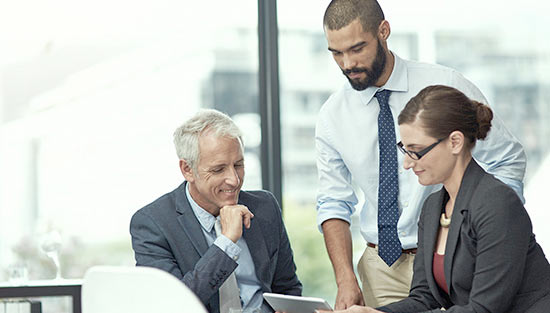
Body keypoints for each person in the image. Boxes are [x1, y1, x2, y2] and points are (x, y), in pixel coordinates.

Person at [316, 0, 526, 309]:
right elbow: (333, 202)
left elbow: (507, 160)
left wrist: (488, 230)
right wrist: (345, 278)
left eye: (357, 48)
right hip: (381, 266)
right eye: (337, 53)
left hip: (455, 256)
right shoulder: (332, 115)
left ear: (383, 32)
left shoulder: (445, 86)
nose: (347, 63)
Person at [318, 85, 550, 313]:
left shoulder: (498, 203)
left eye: (416, 150)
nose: (407, 163)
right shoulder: (432, 208)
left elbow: (485, 308)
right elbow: (424, 296)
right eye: (404, 149)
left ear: (455, 142)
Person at [130, 109, 302, 313]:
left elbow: (288, 288)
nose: (234, 180)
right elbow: (173, 305)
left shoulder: (264, 206)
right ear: (187, 170)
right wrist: (227, 243)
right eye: (219, 169)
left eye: (238, 165)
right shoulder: (152, 223)